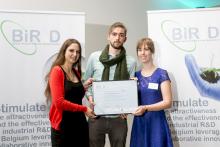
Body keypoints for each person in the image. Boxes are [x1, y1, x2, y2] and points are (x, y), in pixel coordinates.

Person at [83, 22, 136, 147]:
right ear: (108, 36)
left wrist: (128, 108)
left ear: (125, 39)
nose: (117, 38)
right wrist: (90, 98)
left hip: (119, 117)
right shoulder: (94, 57)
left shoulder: (131, 61)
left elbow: (130, 89)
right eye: (114, 34)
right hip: (96, 114)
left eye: (121, 35)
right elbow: (86, 83)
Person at [44, 38, 96, 147]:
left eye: (77, 52)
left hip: (79, 124)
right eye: (71, 51)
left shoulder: (76, 72)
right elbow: (59, 102)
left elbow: (74, 94)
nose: (75, 54)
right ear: (64, 52)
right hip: (63, 126)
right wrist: (84, 109)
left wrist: (84, 86)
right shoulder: (57, 71)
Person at [130, 37, 173, 147]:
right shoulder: (135, 76)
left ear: (152, 52)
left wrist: (146, 108)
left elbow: (168, 102)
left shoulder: (161, 74)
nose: (142, 53)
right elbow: (130, 102)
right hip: (139, 124)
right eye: (139, 50)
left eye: (146, 49)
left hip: (157, 123)